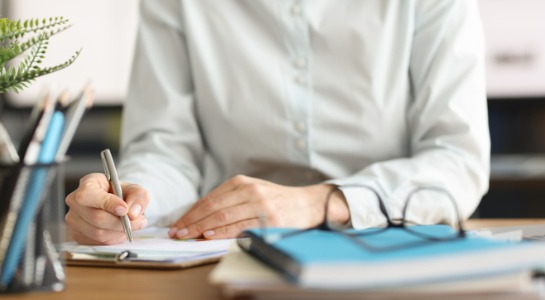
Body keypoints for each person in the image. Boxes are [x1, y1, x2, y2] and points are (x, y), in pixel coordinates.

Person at [65, 0, 490, 245]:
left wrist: (320, 202)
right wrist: (130, 202)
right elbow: (166, 148)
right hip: (226, 253)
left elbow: (457, 161)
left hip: (392, 245)